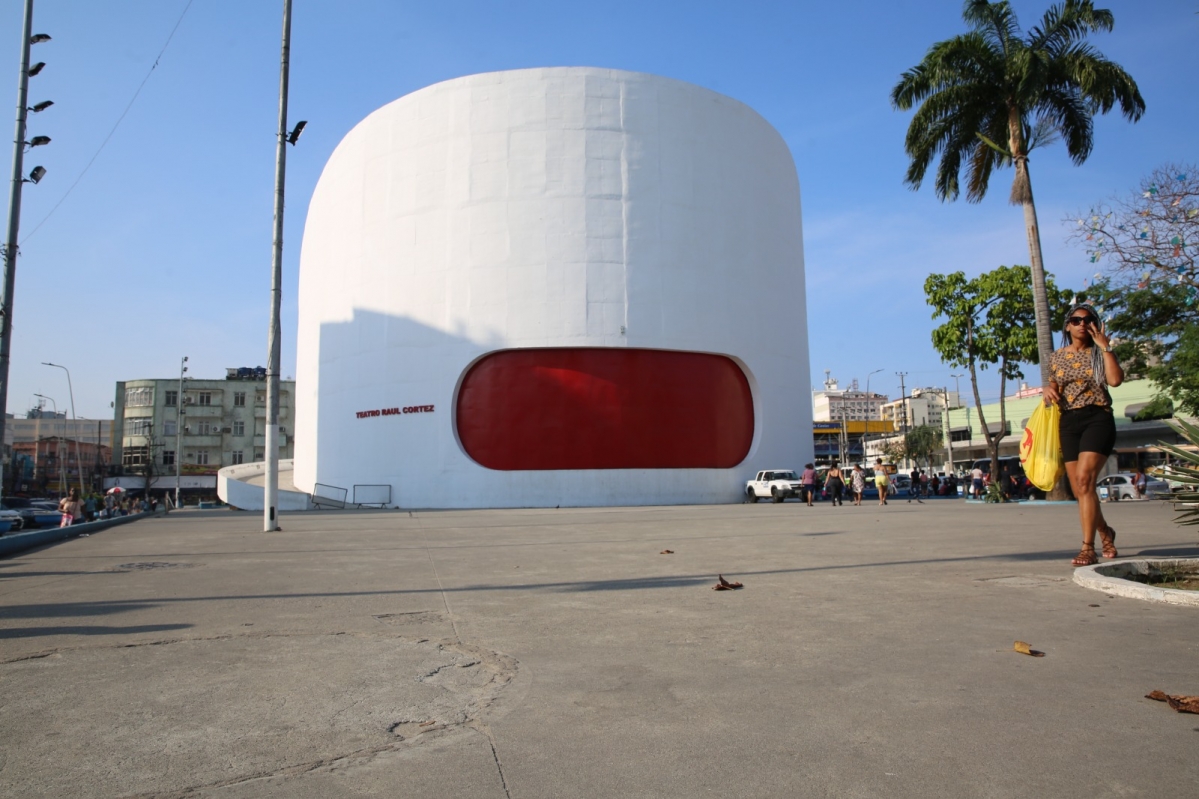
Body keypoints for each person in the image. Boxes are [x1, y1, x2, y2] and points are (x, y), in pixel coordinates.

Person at [1042, 302, 1124, 566]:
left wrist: (1106, 347)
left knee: (1085, 481)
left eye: (1088, 320)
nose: (1082, 324)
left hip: (1097, 418)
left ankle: (1088, 548)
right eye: (1076, 320)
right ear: (1068, 326)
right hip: (1068, 421)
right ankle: (1105, 531)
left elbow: (1115, 381)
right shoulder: (1056, 357)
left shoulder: (1100, 352)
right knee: (1080, 490)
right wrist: (1046, 390)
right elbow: (1054, 388)